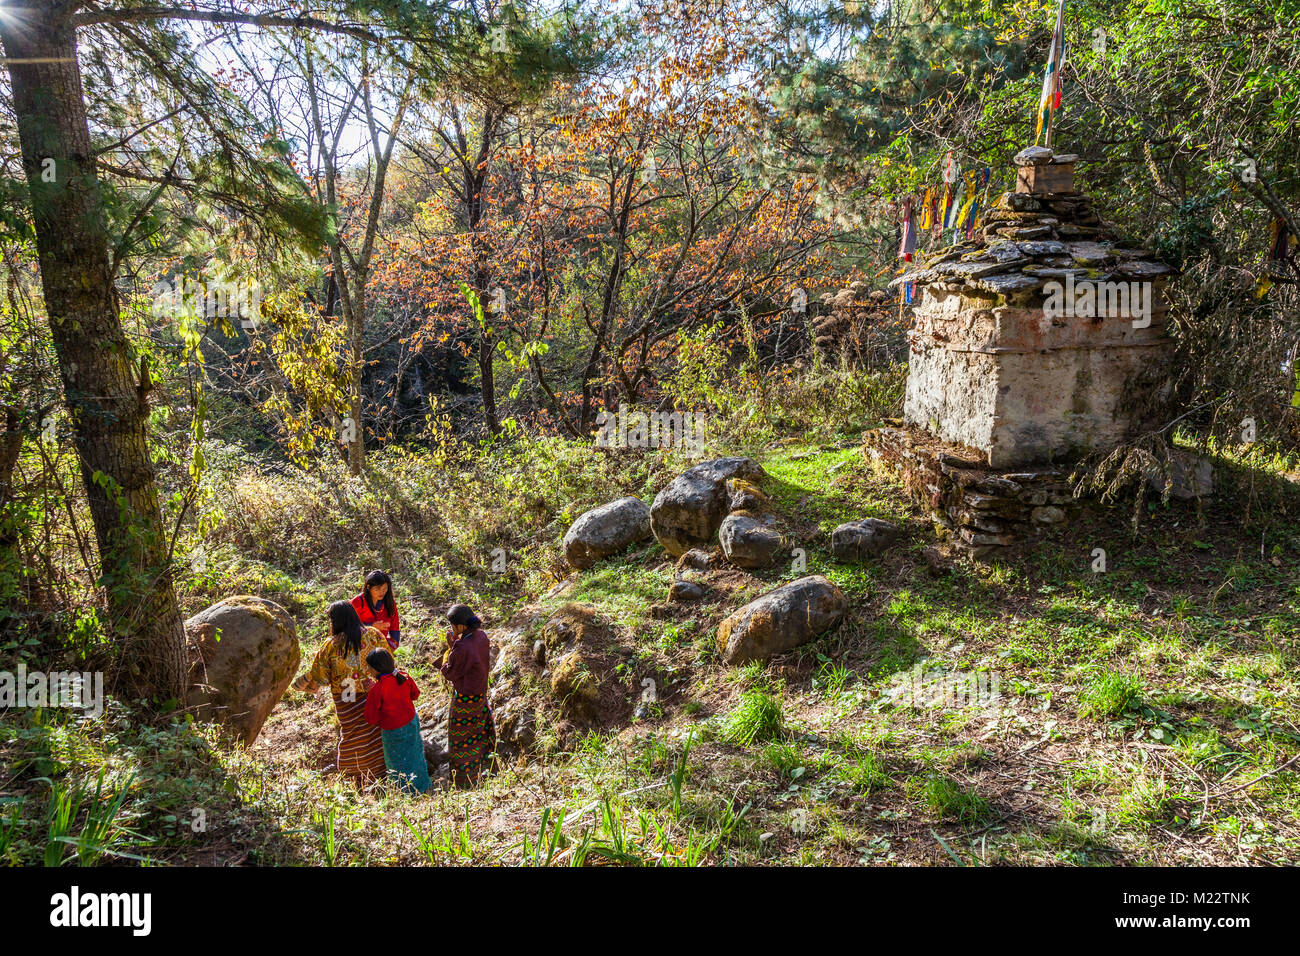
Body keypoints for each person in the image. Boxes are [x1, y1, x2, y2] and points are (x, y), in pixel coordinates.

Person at [291, 601, 390, 787]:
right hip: (374, 689)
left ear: (335, 621)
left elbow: (321, 677)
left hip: (346, 694)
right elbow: (388, 659)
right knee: (376, 733)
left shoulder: (331, 644)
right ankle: (380, 775)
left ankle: (354, 775)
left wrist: (306, 681)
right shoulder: (374, 635)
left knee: (351, 733)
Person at [440, 604, 494, 788]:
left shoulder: (463, 646)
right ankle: (485, 769)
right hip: (480, 695)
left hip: (465, 699)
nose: (453, 630)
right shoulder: (481, 636)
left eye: (453, 626)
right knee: (478, 732)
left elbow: (449, 672)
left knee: (460, 739)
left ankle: (464, 780)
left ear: (461, 626)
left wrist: (450, 650)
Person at [363, 648, 431, 794]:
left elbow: (370, 717)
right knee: (415, 753)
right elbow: (415, 694)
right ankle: (423, 785)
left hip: (392, 731)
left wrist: (371, 692)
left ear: (376, 670)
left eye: (369, 668)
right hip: (411, 722)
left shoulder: (378, 689)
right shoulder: (404, 676)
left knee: (397, 761)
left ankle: (405, 792)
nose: (368, 671)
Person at [352, 570, 402, 650]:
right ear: (368, 587)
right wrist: (371, 626)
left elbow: (395, 629)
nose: (381, 592)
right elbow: (347, 627)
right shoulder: (357, 602)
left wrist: (389, 648)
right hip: (359, 646)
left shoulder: (390, 603)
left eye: (384, 589)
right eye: (377, 589)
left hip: (380, 648)